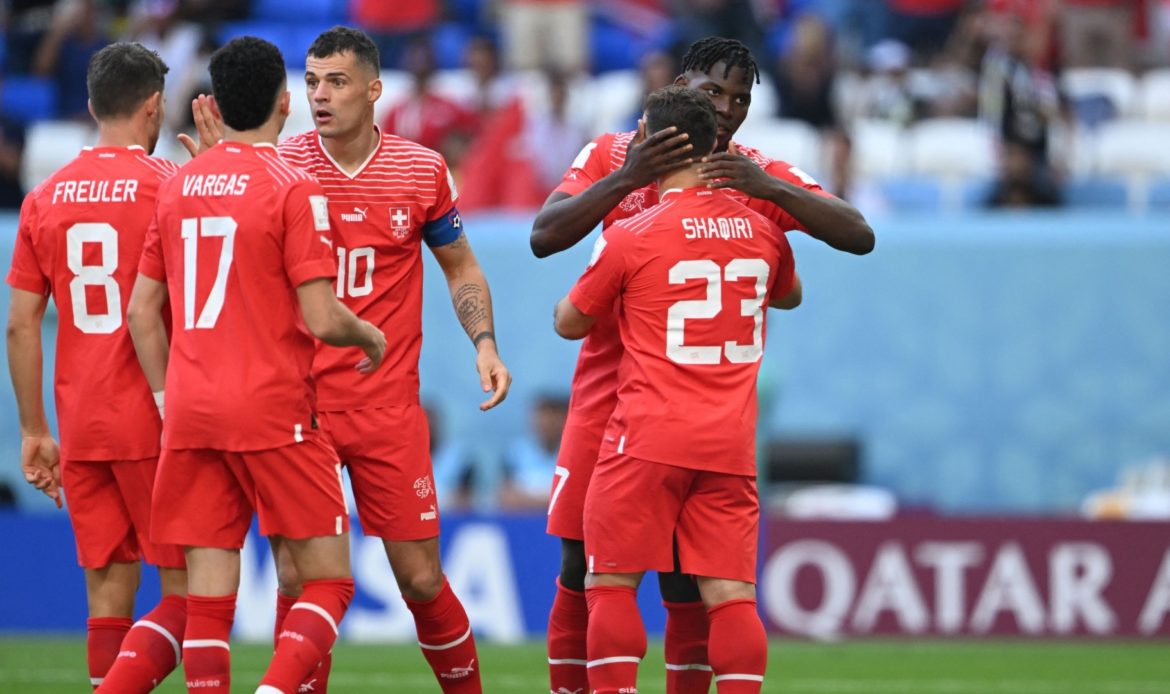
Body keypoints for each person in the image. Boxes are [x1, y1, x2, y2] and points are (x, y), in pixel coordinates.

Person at [529, 36, 874, 694]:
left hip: (675, 404)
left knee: (684, 577)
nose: (726, 109)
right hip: (608, 390)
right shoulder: (611, 152)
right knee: (578, 562)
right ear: (679, 84)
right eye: (713, 92)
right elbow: (545, 233)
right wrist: (627, 177)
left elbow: (857, 232)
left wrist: (770, 187)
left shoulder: (749, 171)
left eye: (740, 99)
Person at [183, 25, 510, 692]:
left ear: (373, 88)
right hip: (299, 407)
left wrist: (484, 343)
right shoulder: (285, 163)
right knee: (300, 577)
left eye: (335, 81)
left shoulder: (421, 169)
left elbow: (460, 266)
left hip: (386, 407)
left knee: (420, 577)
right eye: (309, 82)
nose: (320, 95)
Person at [126, 35, 386, 694]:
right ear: (285, 101)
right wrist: (369, 337)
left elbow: (141, 313)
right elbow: (325, 318)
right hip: (272, 408)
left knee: (207, 603)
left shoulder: (178, 186)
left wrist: (166, 399)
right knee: (329, 580)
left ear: (212, 103)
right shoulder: (293, 187)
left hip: (190, 411)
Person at [553, 83, 800, 694]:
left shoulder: (633, 234)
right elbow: (790, 295)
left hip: (644, 436)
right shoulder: (766, 235)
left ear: (648, 143)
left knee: (608, 583)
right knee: (732, 598)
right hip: (730, 443)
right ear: (716, 143)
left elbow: (568, 322)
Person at [6, 42, 189, 692]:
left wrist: (34, 430)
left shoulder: (44, 199)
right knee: (192, 596)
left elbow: (20, 323)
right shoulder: (169, 188)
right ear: (153, 106)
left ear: (89, 105)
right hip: (155, 418)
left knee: (109, 591)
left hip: (80, 424)